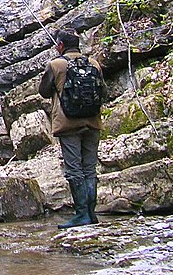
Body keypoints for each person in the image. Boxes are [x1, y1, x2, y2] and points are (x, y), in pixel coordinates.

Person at [39, 28, 104, 229]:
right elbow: (104, 91)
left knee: (74, 169)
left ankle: (81, 213)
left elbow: (43, 92)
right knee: (90, 168)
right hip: (92, 122)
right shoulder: (94, 64)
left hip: (68, 124)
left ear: (60, 45)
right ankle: (91, 213)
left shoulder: (55, 64)